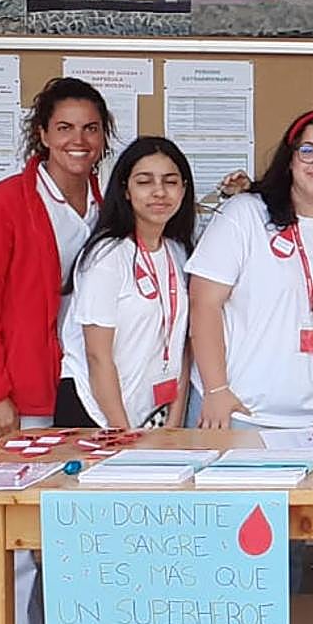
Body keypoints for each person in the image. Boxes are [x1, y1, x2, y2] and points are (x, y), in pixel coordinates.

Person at [0, 76, 112, 624]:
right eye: (64, 128)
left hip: (84, 388)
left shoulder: (110, 201)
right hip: (26, 392)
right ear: (42, 134)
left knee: (72, 538)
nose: (78, 140)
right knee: (17, 543)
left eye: (90, 128)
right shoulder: (7, 202)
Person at [186, 108, 313, 432]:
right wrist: (216, 391)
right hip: (238, 413)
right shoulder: (245, 214)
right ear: (290, 160)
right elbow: (204, 303)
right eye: (307, 150)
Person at [55, 137, 196, 430]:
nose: (159, 192)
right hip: (97, 414)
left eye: (170, 182)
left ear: (183, 189)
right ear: (126, 191)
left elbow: (182, 342)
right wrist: (121, 432)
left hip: (154, 413)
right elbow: (97, 355)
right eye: (145, 182)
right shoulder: (107, 256)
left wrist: (174, 421)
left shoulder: (179, 251)